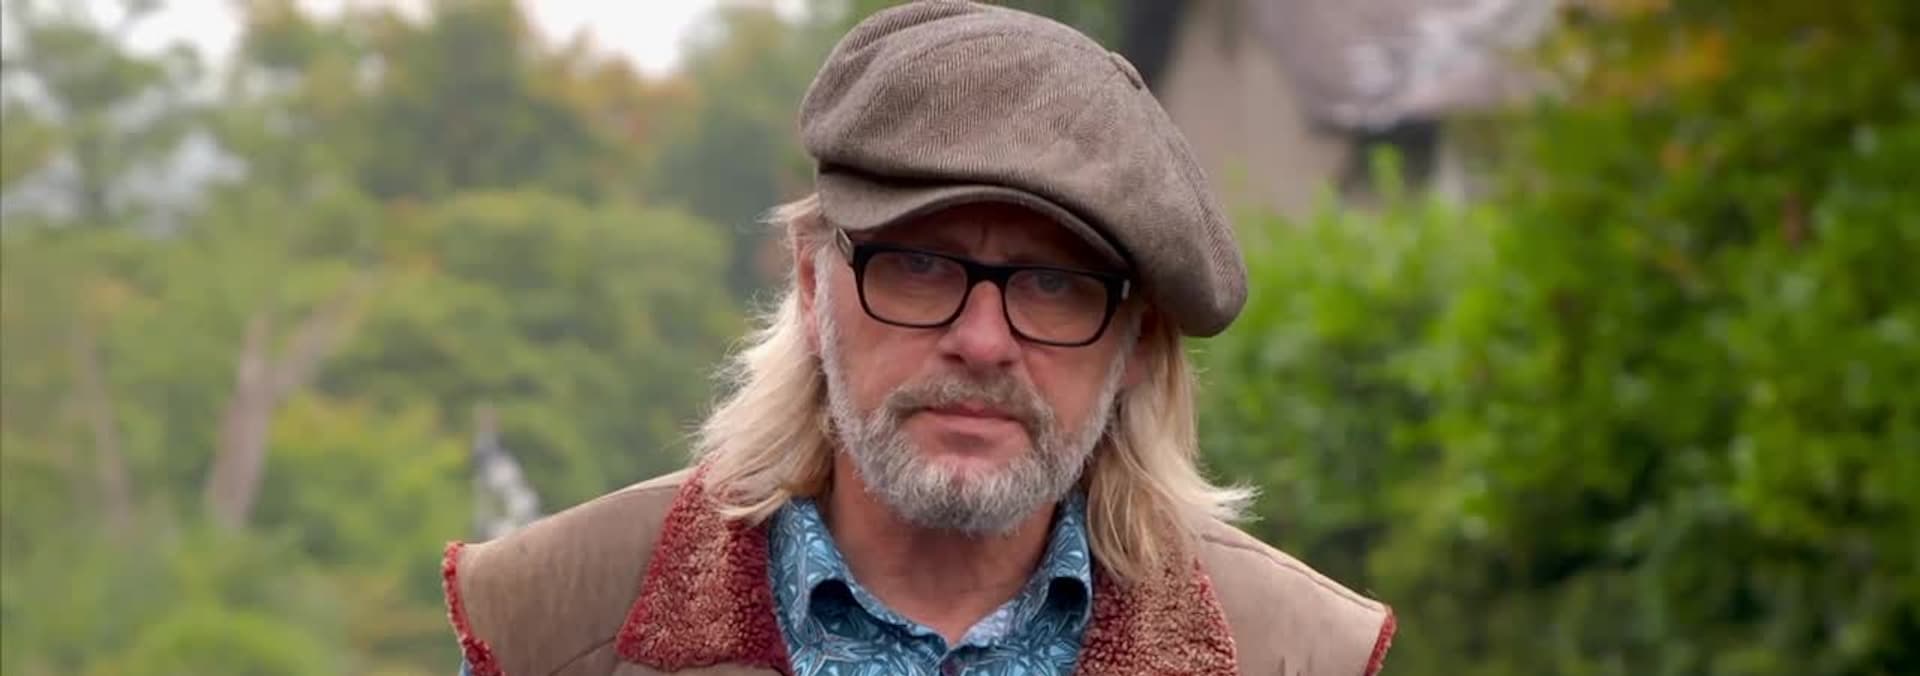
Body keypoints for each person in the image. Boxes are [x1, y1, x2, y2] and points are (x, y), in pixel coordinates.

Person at [441, 2, 1394, 675]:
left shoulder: (1296, 655)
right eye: (921, 267)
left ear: (1136, 344)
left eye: (1053, 286)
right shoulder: (554, 625)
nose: (982, 342)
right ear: (812, 283)